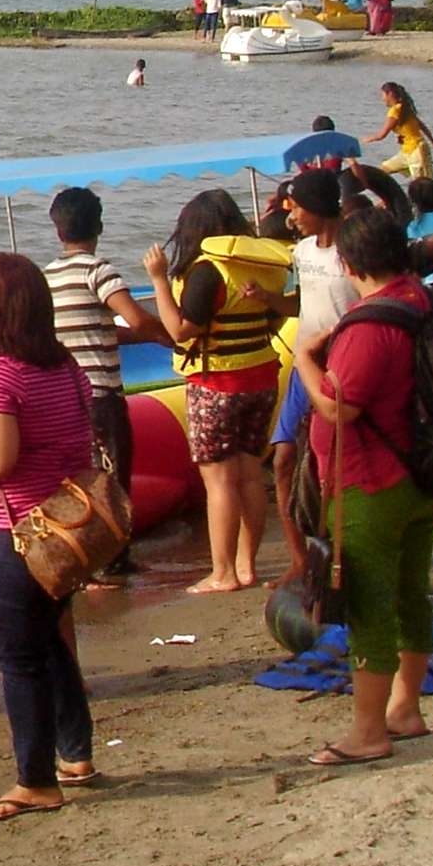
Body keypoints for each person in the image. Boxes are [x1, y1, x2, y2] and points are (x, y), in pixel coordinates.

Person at [0, 252, 97, 820]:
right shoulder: (66, 367)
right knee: (51, 643)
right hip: (72, 526)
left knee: (19, 654)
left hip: (24, 529)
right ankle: (75, 755)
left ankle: (35, 780)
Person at [290, 205, 433, 765]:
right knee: (409, 591)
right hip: (424, 474)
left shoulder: (371, 325)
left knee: (370, 603)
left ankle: (368, 730)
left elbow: (338, 408)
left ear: (350, 262)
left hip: (372, 479)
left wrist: (306, 360)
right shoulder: (425, 303)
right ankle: (406, 708)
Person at [141, 190, 286, 595]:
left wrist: (157, 279)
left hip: (216, 385)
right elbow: (276, 314)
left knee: (219, 480)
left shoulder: (207, 272)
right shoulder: (261, 266)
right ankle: (246, 565)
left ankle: (222, 573)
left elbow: (180, 330)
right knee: (250, 474)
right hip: (260, 378)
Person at [42, 188, 156, 577]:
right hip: (101, 395)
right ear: (100, 226)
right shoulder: (98, 270)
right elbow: (136, 320)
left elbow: (87, 330)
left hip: (65, 397)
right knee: (113, 477)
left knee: (79, 479)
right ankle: (113, 560)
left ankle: (82, 556)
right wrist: (167, 335)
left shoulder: (48, 277)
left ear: (58, 232)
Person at [271, 169, 356, 585]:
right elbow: (302, 304)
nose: (293, 216)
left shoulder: (352, 253)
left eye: (298, 207)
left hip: (341, 367)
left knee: (332, 464)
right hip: (303, 368)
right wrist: (267, 301)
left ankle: (340, 551)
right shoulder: (303, 252)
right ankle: (299, 558)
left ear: (319, 208)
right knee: (284, 457)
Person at [364, 82, 433, 183]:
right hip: (406, 152)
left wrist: (367, 139)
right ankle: (389, 196)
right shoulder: (405, 108)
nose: (382, 99)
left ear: (390, 94)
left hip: (417, 151)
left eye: (383, 95)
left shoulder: (395, 110)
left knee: (423, 184)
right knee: (383, 170)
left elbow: (382, 135)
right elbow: (422, 126)